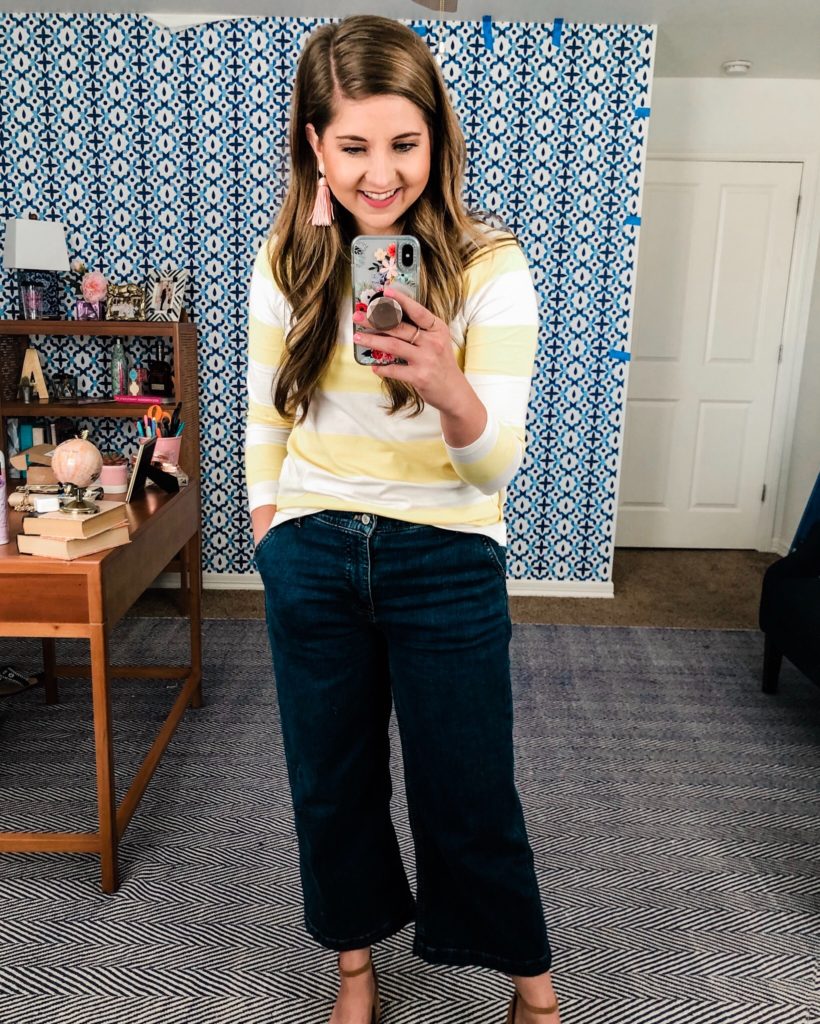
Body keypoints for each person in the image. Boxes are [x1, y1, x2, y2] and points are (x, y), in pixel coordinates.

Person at [244, 15, 561, 1024]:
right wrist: (271, 533)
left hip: (447, 555)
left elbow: (493, 462)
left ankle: (533, 988)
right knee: (330, 784)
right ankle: (355, 972)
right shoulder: (286, 261)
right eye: (352, 146)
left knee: (468, 788)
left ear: (437, 138)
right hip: (313, 551)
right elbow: (264, 419)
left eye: (403, 143)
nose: (379, 174)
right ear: (314, 144)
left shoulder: (490, 265)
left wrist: (448, 385)